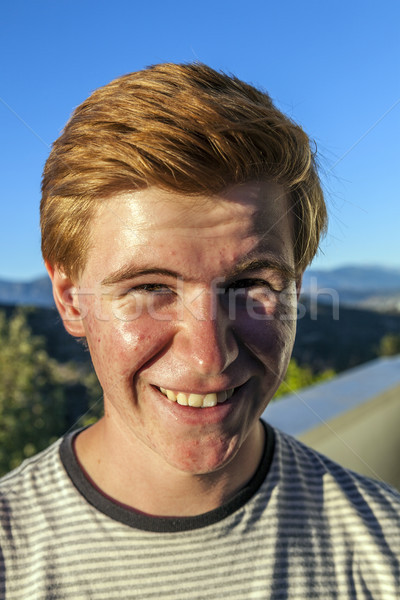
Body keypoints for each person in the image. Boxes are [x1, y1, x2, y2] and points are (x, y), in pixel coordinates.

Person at [0, 63, 399, 599]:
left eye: (252, 283)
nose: (209, 355)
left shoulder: (386, 550)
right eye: (148, 288)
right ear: (71, 299)